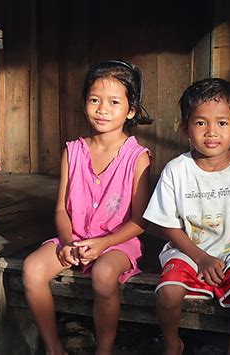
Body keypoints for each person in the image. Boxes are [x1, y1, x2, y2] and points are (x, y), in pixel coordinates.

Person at [143, 78, 230, 355]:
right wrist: (201, 258)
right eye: (200, 123)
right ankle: (173, 343)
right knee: (168, 293)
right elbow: (166, 225)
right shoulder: (177, 170)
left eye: (222, 123)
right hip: (188, 251)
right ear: (185, 128)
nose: (211, 132)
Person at [22, 60, 152, 355]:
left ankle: (103, 350)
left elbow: (140, 222)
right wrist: (68, 242)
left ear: (131, 110)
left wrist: (103, 242)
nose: (102, 109)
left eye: (114, 102)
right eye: (95, 100)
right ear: (85, 103)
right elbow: (60, 210)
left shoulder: (137, 158)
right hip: (74, 238)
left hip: (117, 243)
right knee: (31, 269)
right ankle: (55, 348)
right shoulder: (73, 150)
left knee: (104, 275)